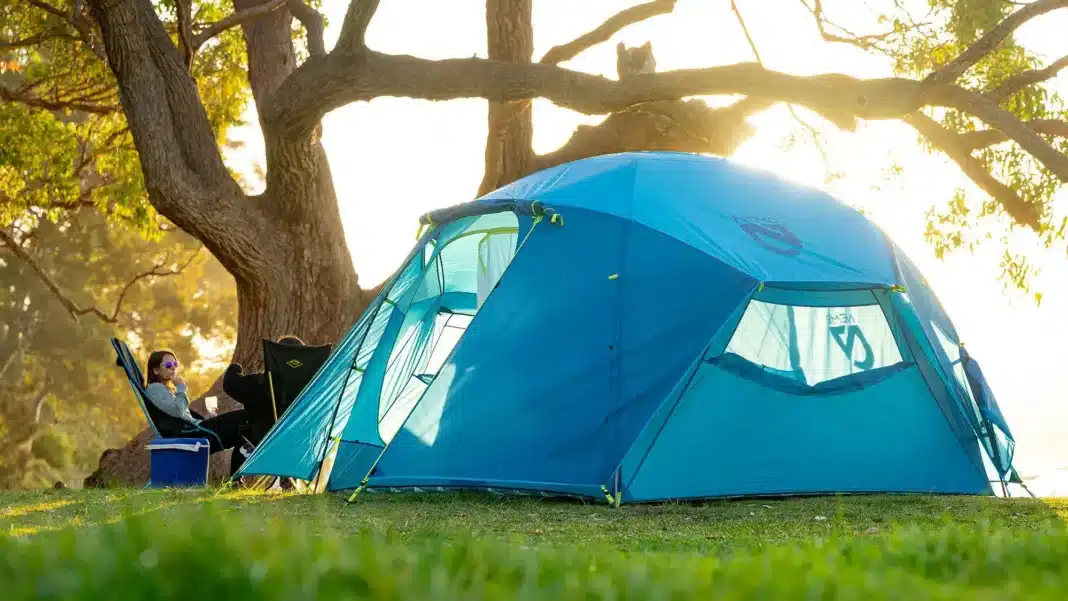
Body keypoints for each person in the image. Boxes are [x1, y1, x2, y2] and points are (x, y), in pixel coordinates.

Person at [144, 349, 251, 474]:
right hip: (192, 433)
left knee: (245, 433)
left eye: (175, 364)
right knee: (246, 416)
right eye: (168, 365)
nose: (173, 368)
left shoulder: (166, 390)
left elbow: (181, 413)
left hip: (197, 429)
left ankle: (236, 479)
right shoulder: (155, 388)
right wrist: (181, 387)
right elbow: (178, 411)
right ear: (156, 370)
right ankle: (237, 477)